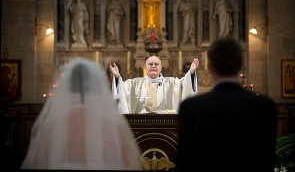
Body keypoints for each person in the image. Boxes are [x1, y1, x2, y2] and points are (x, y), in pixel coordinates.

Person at [176, 38, 277, 172]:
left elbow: (185, 162)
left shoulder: (191, 107)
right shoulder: (265, 106)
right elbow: (267, 160)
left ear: (210, 67)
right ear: (241, 65)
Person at [21, 58, 141, 170]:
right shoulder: (113, 125)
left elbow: (37, 164)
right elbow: (131, 164)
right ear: (96, 86)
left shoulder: (50, 126)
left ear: (67, 85)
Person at [109, 56, 199, 114]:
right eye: (150, 64)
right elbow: (122, 89)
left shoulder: (172, 82)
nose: (153, 66)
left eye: (156, 64)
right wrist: (117, 75)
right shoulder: (135, 83)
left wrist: (191, 72)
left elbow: (185, 85)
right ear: (145, 67)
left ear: (161, 68)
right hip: (141, 124)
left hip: (164, 124)